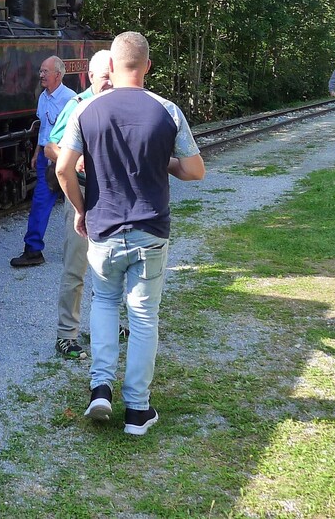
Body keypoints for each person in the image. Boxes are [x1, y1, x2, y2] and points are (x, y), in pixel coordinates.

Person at [56, 31, 205, 437]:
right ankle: (137, 411)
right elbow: (195, 170)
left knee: (103, 302)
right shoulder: (167, 110)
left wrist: (81, 211)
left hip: (103, 228)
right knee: (143, 317)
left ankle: (99, 389)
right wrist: (166, 163)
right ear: (147, 66)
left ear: (112, 66)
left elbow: (62, 169)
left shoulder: (86, 110)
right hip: (150, 230)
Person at [43, 49, 112, 360]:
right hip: (84, 197)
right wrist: (76, 158)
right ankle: (66, 335)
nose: (110, 82)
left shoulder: (121, 102)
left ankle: (107, 325)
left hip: (114, 197)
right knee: (76, 268)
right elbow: (50, 147)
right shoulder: (78, 104)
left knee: (110, 268)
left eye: (115, 75)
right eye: (105, 77)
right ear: (91, 76)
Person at [11, 55, 76, 268]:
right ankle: (32, 249)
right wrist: (37, 151)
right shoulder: (43, 97)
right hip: (45, 159)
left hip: (65, 159)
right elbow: (44, 127)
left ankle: (86, 249)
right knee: (40, 203)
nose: (41, 75)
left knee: (78, 204)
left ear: (58, 74)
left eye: (45, 71)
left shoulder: (71, 99)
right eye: (40, 71)